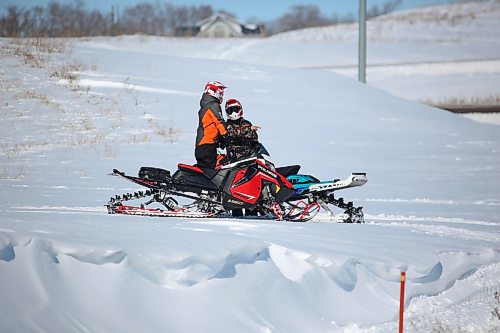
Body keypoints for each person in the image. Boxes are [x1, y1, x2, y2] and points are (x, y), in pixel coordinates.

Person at [195, 81, 228, 169]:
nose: (222, 94)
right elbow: (219, 122)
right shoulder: (213, 105)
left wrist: (220, 139)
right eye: (220, 92)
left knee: (204, 169)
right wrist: (226, 136)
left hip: (203, 145)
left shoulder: (206, 106)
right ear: (213, 91)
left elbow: (211, 127)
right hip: (207, 146)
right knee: (208, 172)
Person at [224, 98, 260, 163]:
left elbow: (254, 138)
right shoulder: (227, 125)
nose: (233, 112)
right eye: (230, 110)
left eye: (235, 109)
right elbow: (233, 133)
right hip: (236, 158)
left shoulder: (246, 123)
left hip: (251, 155)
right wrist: (248, 129)